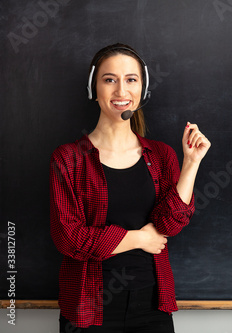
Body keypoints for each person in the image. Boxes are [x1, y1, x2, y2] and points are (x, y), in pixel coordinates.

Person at [50, 43, 210, 332]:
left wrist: (191, 163)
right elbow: (68, 238)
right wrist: (138, 239)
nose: (121, 91)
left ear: (142, 89)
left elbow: (169, 224)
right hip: (88, 309)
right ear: (93, 88)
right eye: (109, 79)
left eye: (131, 80)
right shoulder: (69, 159)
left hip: (152, 306)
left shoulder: (161, 155)